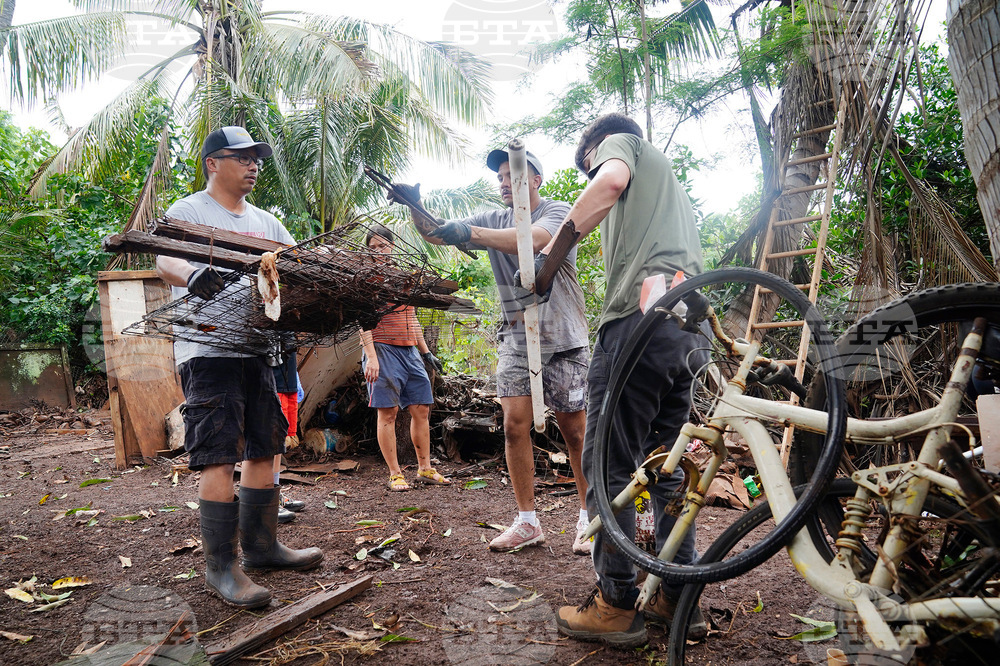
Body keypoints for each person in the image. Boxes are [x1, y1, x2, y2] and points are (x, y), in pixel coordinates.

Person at [531, 114, 707, 647]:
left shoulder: (621, 144)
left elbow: (608, 182)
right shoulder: (668, 187)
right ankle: (679, 597)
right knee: (665, 466)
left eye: (586, 162)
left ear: (598, 144)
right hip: (686, 325)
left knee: (608, 464)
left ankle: (614, 602)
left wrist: (552, 250)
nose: (592, 169)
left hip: (638, 323)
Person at [389, 150, 592, 555]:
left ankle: (589, 517)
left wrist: (470, 234)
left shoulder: (558, 210)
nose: (503, 182)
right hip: (516, 337)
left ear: (536, 179)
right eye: (499, 176)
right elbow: (437, 232)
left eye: (512, 174)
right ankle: (528, 522)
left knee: (574, 430)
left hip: (563, 338)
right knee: (515, 425)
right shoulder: (494, 218)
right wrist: (415, 206)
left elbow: (535, 240)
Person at [156, 126, 323, 609]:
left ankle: (262, 548)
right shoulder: (189, 211)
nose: (254, 166)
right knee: (217, 453)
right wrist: (192, 274)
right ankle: (221, 568)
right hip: (206, 349)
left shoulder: (268, 222)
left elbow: (299, 264)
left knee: (264, 446)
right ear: (213, 163)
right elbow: (164, 255)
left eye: (257, 159)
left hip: (255, 348)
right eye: (242, 157)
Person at [360, 224, 450, 492]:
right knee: (387, 413)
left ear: (393, 246)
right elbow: (361, 321)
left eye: (383, 246)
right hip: (382, 348)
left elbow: (411, 318)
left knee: (421, 409)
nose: (379, 251)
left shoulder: (404, 278)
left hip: (410, 350)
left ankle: (425, 468)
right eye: (373, 248)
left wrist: (426, 352)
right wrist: (371, 358)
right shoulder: (365, 279)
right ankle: (395, 474)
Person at [272, 349, 305, 523]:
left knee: (278, 439)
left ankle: (274, 492)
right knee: (268, 438)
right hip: (271, 371)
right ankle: (265, 499)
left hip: (285, 370)